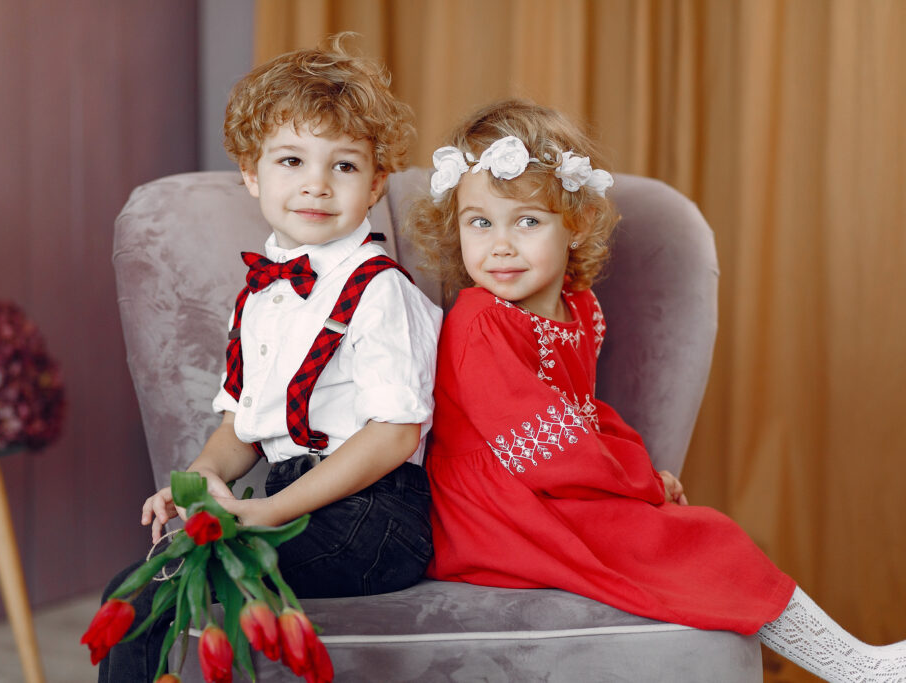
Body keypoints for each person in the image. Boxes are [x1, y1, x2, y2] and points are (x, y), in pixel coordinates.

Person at [409, 98, 906, 683]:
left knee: (691, 534)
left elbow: (583, 414)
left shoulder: (581, 310)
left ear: (576, 224)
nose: (500, 245)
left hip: (548, 484)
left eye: (527, 221)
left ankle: (855, 665)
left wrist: (641, 471)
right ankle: (860, 670)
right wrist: (636, 484)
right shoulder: (479, 321)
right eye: (480, 222)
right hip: (495, 511)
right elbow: (541, 443)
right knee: (701, 538)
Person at [97, 35, 441, 682]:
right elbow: (243, 429)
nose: (316, 184)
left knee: (171, 587)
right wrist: (196, 482)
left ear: (375, 185)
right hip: (296, 495)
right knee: (132, 586)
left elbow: (395, 434)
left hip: (375, 513)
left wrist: (268, 514)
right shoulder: (262, 292)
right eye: (291, 160)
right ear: (252, 174)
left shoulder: (380, 289)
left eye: (343, 165)